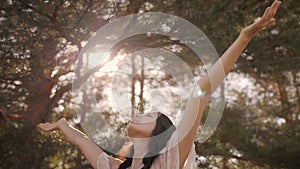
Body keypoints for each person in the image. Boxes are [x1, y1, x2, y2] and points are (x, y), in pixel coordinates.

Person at [38, 1, 282, 168]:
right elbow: (82, 141)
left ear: (161, 131)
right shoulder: (116, 167)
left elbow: (201, 92)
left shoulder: (170, 160)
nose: (138, 114)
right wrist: (62, 124)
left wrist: (244, 37)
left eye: (148, 115)